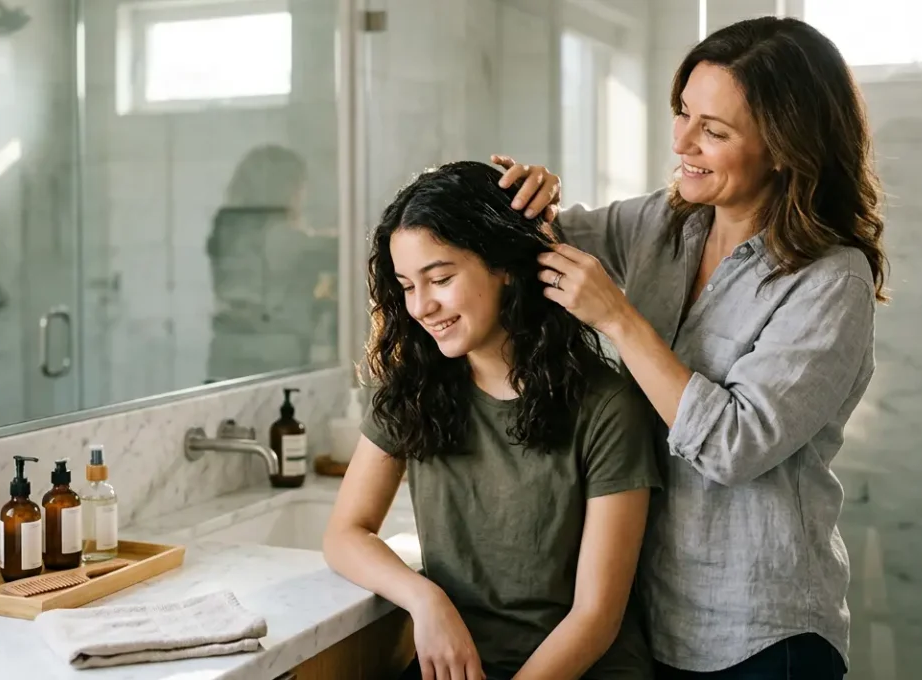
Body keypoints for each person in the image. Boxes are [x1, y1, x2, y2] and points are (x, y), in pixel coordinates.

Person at [495, 16, 886, 679]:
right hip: (653, 620)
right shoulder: (663, 224)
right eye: (683, 113)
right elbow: (530, 247)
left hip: (765, 636)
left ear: (785, 148)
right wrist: (523, 195)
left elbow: (736, 445)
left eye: (714, 130)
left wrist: (618, 319)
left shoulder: (831, 278)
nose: (681, 141)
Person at [322, 161, 662, 680]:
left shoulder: (606, 405)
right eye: (407, 285)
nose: (422, 306)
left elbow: (595, 618)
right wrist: (425, 600)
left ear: (504, 266)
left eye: (440, 278)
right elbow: (346, 532)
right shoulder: (413, 386)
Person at [205, 145, 338, 382]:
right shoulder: (279, 236)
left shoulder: (228, 226)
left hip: (225, 351)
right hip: (273, 361)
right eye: (301, 185)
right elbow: (341, 250)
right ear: (285, 188)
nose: (304, 194)